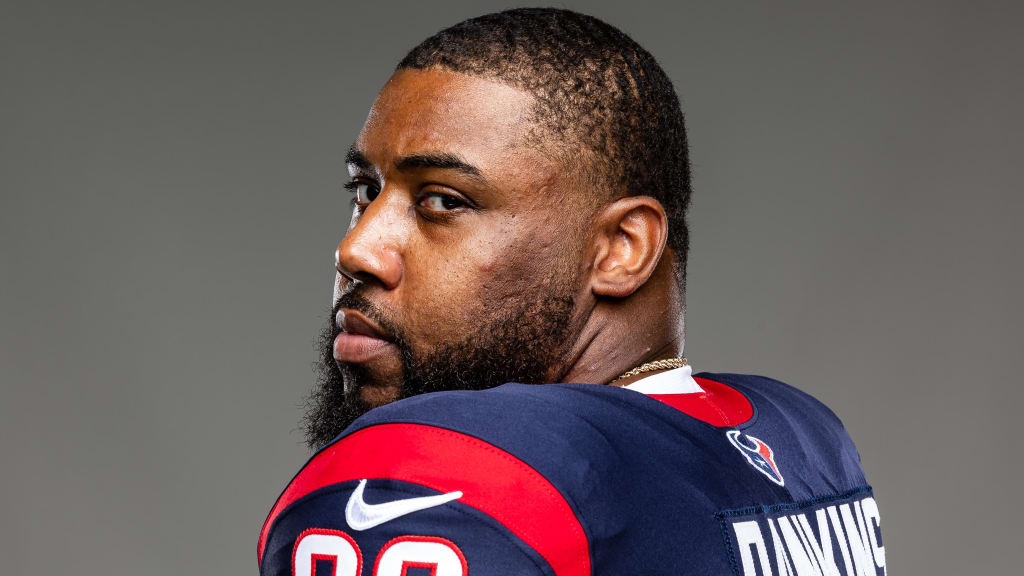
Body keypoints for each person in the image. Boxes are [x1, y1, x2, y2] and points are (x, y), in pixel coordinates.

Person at [259, 8, 885, 576]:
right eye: (365, 193)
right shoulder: (805, 441)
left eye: (442, 202)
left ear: (622, 248)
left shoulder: (443, 471)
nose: (356, 250)